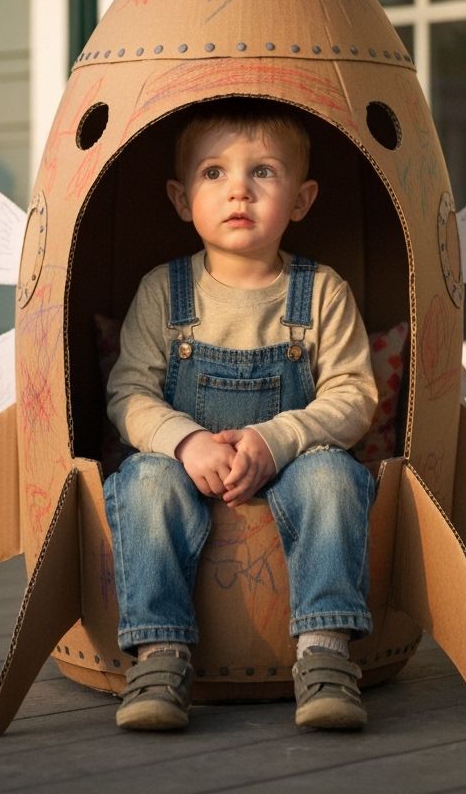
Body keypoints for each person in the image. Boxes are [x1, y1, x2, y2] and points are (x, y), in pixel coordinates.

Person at [103, 99, 378, 732]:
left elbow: (352, 395)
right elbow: (130, 394)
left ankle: (325, 655)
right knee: (143, 481)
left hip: (290, 468)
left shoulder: (322, 291)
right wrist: (186, 442)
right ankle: (159, 655)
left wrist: (278, 438)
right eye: (213, 174)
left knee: (334, 478)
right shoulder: (164, 292)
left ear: (301, 200)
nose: (238, 191)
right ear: (180, 198)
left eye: (263, 172)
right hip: (187, 469)